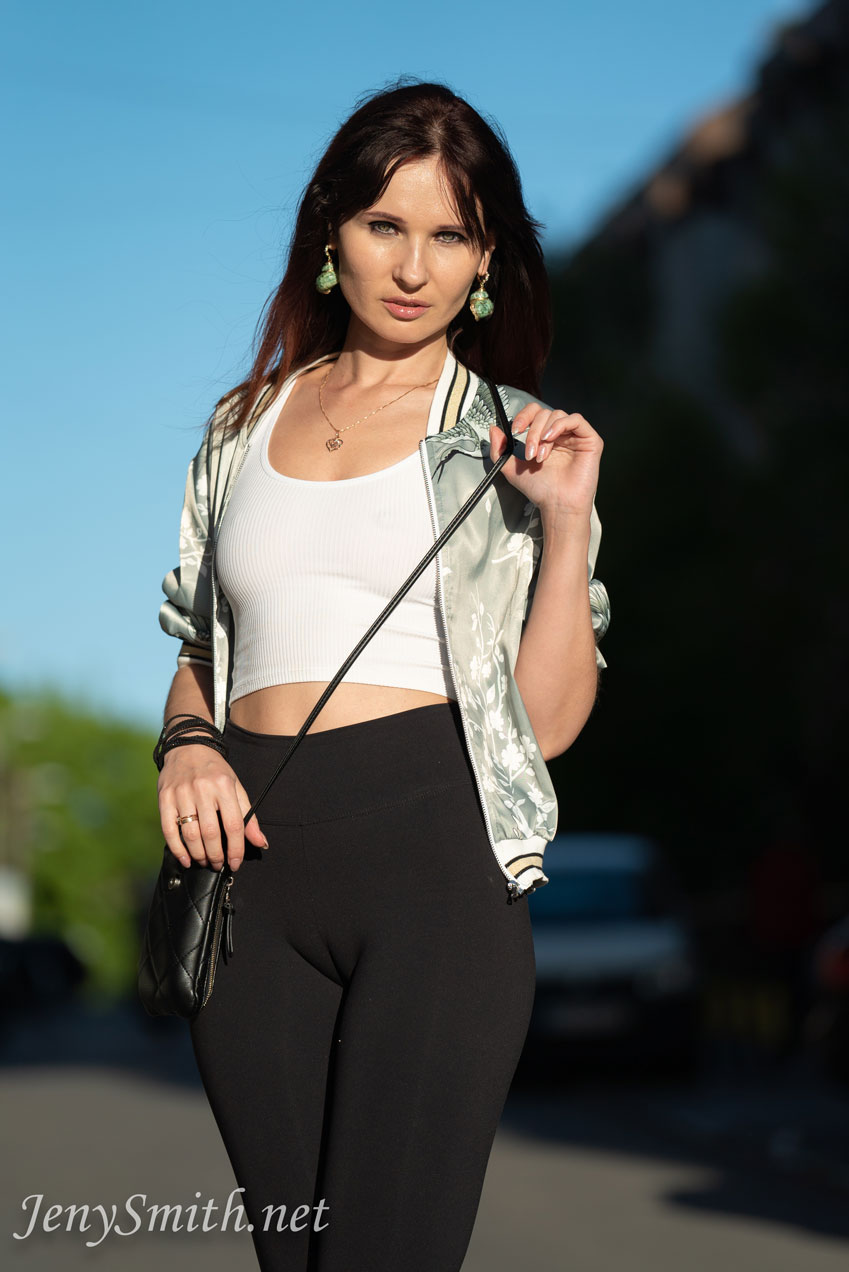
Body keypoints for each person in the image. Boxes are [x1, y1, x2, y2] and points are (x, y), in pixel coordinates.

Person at [154, 79, 610, 1272]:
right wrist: (187, 746)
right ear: (331, 232)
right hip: (249, 884)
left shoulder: (513, 440)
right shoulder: (238, 430)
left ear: (487, 260)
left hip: (436, 877)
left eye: (449, 235)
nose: (413, 268)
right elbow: (201, 651)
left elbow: (547, 724)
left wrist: (567, 523)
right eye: (384, 226)